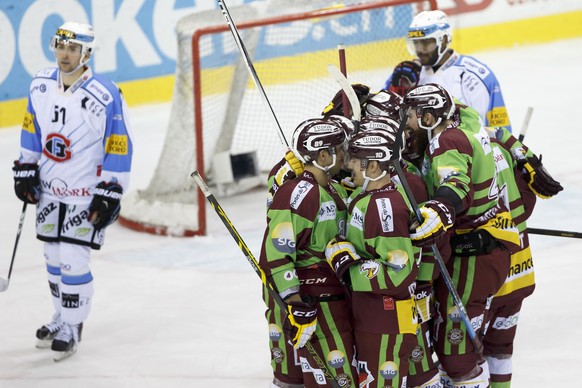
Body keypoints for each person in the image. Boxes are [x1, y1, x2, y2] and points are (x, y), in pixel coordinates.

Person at [12, 21, 133, 361]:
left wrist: (110, 191)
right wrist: (25, 168)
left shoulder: (106, 95)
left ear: (87, 52)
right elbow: (31, 129)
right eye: (61, 47)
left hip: (85, 193)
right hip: (49, 191)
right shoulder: (39, 84)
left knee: (73, 260)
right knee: (51, 257)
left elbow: (119, 145)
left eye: (73, 49)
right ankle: (60, 317)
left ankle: (73, 326)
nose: (65, 55)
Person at [402, 83, 521, 387]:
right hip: (490, 241)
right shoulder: (466, 118)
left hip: (473, 253)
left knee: (457, 354)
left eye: (412, 115)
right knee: (456, 344)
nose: (407, 122)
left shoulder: (446, 143)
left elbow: (455, 184)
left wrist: (440, 208)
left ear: (429, 118)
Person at [259, 117, 357, 387]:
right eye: (340, 148)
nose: (345, 154)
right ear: (323, 155)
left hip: (333, 298)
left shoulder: (333, 188)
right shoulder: (299, 193)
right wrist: (294, 302)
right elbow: (278, 253)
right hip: (313, 304)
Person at [387, 10, 512, 132]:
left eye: (425, 43)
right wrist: (397, 90)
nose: (419, 50)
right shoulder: (409, 74)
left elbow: (500, 130)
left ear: (445, 40)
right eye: (416, 43)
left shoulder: (476, 76)